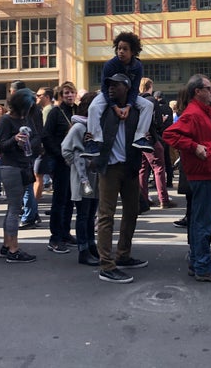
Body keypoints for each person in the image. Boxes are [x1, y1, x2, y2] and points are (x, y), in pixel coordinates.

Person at [163, 74, 211, 283]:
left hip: (207, 171)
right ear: (198, 92)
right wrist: (195, 147)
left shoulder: (202, 112)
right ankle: (202, 266)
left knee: (199, 220)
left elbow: (206, 139)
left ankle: (197, 261)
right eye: (209, 89)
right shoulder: (194, 113)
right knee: (203, 221)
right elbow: (170, 135)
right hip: (203, 173)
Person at [90, 73, 147, 283]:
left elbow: (148, 133)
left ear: (127, 88)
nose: (111, 88)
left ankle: (123, 255)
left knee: (132, 211)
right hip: (109, 168)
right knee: (106, 216)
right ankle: (106, 265)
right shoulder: (103, 108)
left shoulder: (135, 110)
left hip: (130, 167)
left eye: (117, 85)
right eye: (110, 85)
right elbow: (91, 119)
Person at [83, 32, 155, 156]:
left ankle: (140, 137)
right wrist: (114, 107)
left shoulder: (137, 66)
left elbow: (134, 89)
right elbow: (104, 88)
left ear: (133, 51)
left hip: (128, 96)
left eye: (125, 49)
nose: (121, 51)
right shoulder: (110, 65)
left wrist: (128, 106)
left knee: (148, 105)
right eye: (119, 48)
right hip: (108, 94)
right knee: (94, 107)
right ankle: (94, 141)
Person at [0, 88, 40, 263]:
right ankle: (13, 249)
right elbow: (1, 145)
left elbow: (37, 137)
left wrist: (30, 141)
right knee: (15, 209)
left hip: (23, 165)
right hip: (11, 167)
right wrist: (15, 140)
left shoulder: (26, 118)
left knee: (12, 208)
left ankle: (7, 245)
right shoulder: (7, 120)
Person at [61, 91, 100, 266]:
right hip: (83, 178)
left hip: (96, 178)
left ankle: (91, 246)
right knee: (84, 215)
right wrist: (79, 164)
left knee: (91, 215)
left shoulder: (95, 126)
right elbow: (66, 149)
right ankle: (83, 250)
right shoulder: (79, 127)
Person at [42, 81, 78, 254]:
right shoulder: (56, 113)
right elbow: (46, 137)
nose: (69, 95)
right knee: (60, 200)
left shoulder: (78, 110)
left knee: (71, 199)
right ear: (61, 96)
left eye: (72, 92)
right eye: (66, 93)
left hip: (75, 162)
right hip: (60, 161)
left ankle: (65, 233)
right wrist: (59, 154)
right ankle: (55, 238)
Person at [137, 77, 175, 208]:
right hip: (151, 138)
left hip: (139, 139)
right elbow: (158, 122)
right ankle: (163, 199)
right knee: (159, 168)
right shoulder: (152, 100)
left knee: (142, 169)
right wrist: (161, 122)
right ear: (150, 87)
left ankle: (144, 199)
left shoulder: (136, 101)